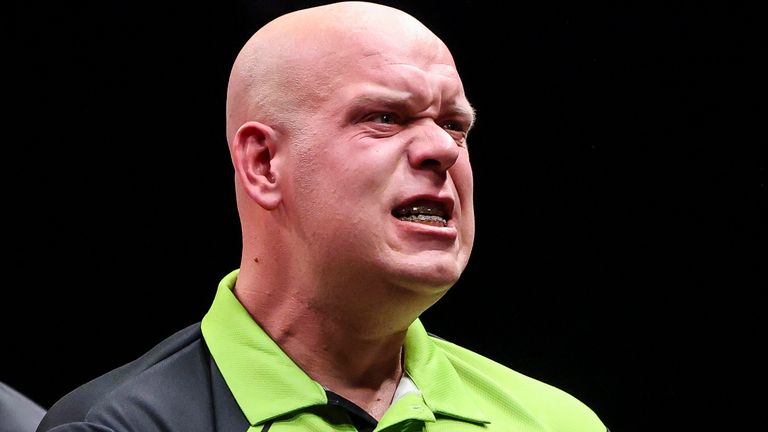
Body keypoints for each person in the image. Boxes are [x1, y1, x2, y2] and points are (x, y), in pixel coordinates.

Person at [37, 2, 606, 431]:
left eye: (455, 124)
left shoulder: (556, 420)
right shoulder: (121, 423)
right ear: (263, 163)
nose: (444, 149)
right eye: (386, 116)